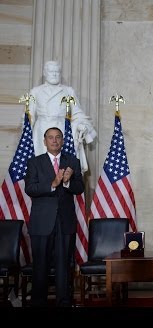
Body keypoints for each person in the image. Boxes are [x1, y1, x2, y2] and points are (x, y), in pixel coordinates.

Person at [24, 127, 84, 307]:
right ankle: (38, 302)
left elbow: (79, 188)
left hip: (65, 222)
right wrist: (54, 183)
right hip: (42, 222)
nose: (54, 140)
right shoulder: (34, 162)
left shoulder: (73, 161)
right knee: (40, 265)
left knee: (64, 265)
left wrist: (66, 182)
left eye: (58, 137)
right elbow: (30, 189)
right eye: (50, 137)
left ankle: (64, 302)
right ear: (45, 141)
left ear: (63, 140)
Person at [29, 61, 97, 174]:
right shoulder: (36, 91)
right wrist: (26, 133)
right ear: (45, 73)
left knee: (62, 165)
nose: (55, 74)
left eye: (57, 71)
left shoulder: (68, 91)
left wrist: (81, 124)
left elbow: (77, 112)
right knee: (41, 166)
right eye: (51, 71)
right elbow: (29, 116)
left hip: (61, 128)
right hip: (41, 130)